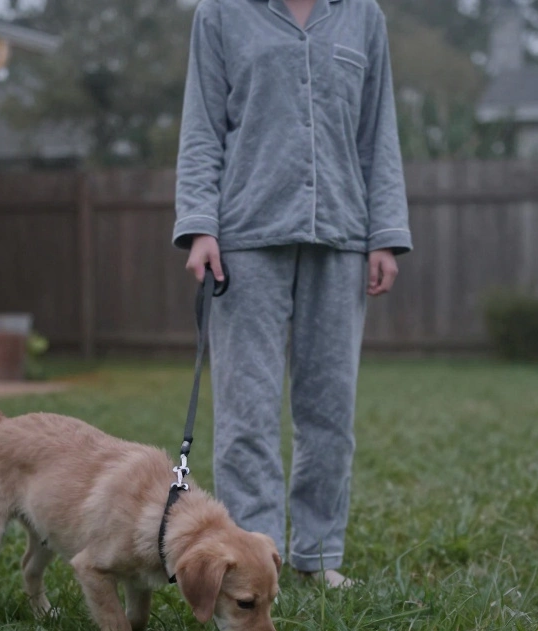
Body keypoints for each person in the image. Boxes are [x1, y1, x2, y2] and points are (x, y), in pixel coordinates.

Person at [172, 0, 411, 588]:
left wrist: (385, 235)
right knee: (245, 413)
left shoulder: (363, 16)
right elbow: (202, 126)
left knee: (330, 412)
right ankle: (255, 557)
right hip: (245, 239)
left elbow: (376, 132)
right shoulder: (221, 15)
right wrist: (201, 225)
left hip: (342, 236)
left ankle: (318, 557)